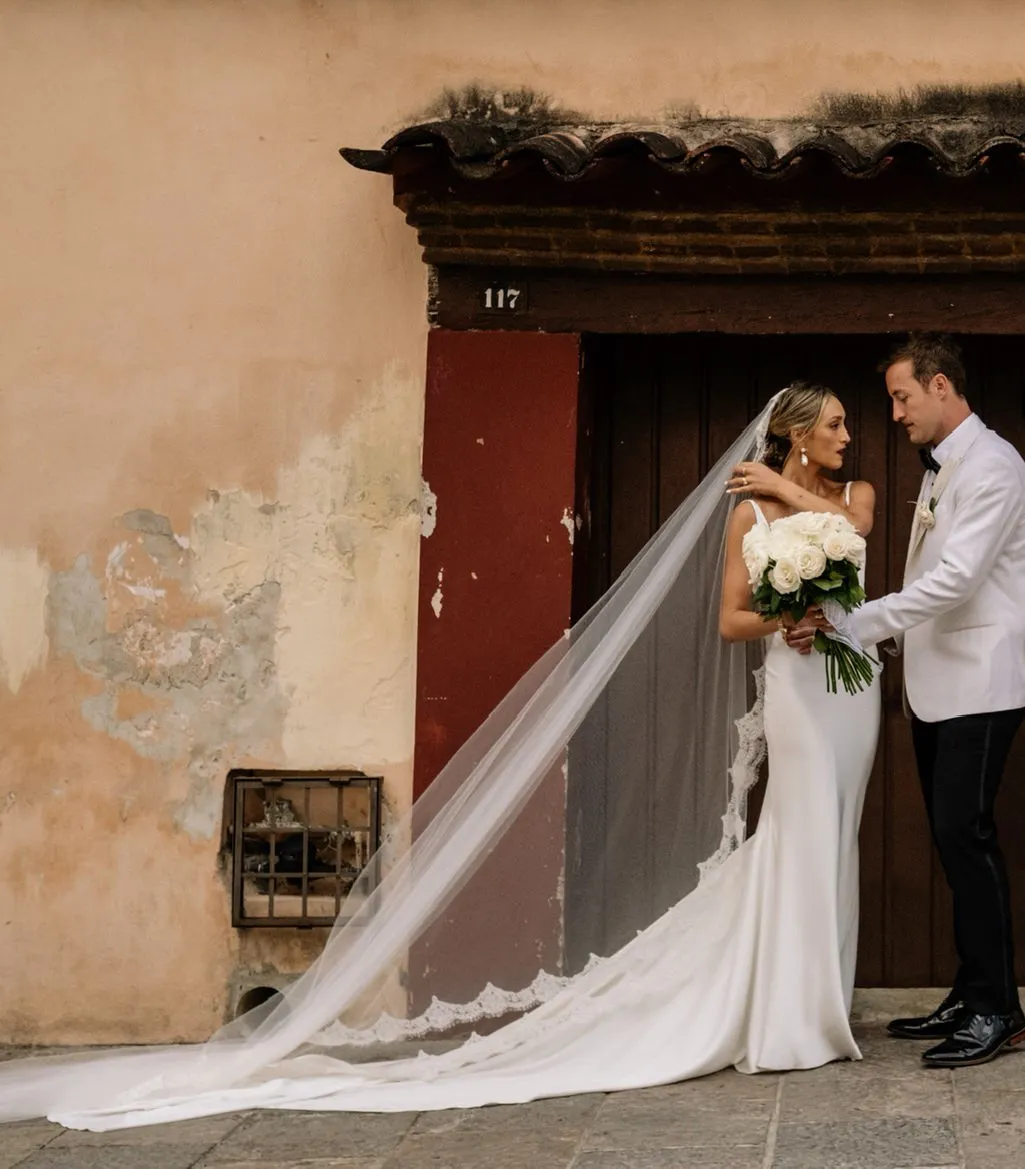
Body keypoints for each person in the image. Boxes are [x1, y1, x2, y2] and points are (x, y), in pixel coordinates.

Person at [0, 383, 881, 1130]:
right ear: (797, 431)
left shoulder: (853, 495)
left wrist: (787, 493)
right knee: (796, 833)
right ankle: (786, 1017)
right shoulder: (745, 513)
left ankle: (817, 1002)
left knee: (832, 837)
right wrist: (787, 616)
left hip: (850, 689)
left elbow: (857, 533)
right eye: (834, 424)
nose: (848, 437)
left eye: (848, 424)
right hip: (797, 686)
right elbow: (731, 620)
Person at [825, 335, 1025, 1069]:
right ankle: (972, 992)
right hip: (938, 683)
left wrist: (857, 622)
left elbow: (957, 581)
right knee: (950, 840)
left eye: (902, 396)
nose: (896, 412)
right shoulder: (946, 465)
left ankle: (1000, 1009)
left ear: (940, 386)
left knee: (964, 836)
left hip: (981, 681)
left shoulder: (996, 466)